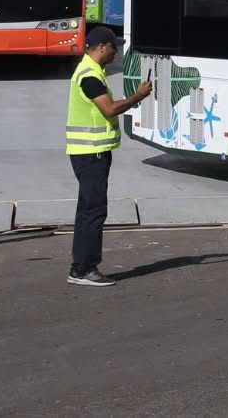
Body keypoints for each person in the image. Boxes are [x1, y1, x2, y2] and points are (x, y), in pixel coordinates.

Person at [65, 26, 151, 286]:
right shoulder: (90, 76)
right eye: (114, 47)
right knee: (94, 211)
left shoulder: (91, 70)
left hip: (89, 153)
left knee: (87, 211)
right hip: (91, 154)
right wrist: (138, 96)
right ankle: (85, 270)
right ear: (102, 47)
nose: (117, 52)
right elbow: (110, 109)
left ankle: (79, 268)